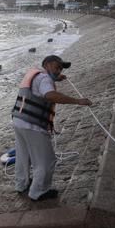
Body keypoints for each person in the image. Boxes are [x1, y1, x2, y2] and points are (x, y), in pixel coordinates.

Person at [11, 55, 92, 201]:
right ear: (47, 65)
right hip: (32, 125)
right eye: (57, 67)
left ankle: (21, 184)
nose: (59, 70)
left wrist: (56, 78)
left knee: (23, 156)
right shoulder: (44, 79)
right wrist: (77, 101)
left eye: (61, 68)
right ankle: (39, 191)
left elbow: (38, 89)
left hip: (18, 120)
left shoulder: (35, 74)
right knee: (46, 161)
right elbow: (49, 95)